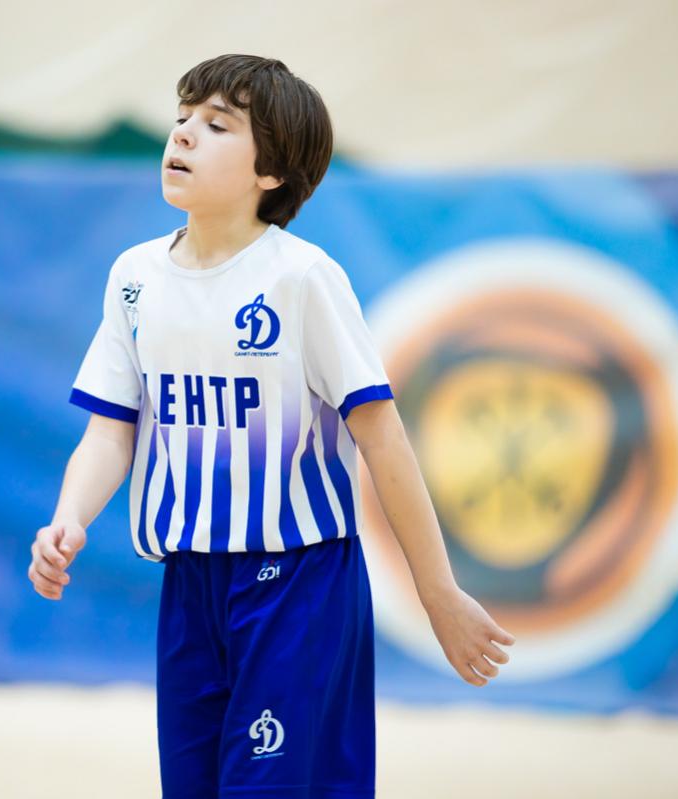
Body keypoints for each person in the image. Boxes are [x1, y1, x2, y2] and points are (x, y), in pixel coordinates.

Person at [27, 53, 515, 799]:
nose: (183, 133)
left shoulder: (303, 279)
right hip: (189, 584)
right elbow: (110, 430)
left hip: (297, 583)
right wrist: (69, 517)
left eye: (217, 124)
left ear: (272, 171)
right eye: (182, 116)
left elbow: (382, 437)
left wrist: (437, 591)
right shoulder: (134, 278)